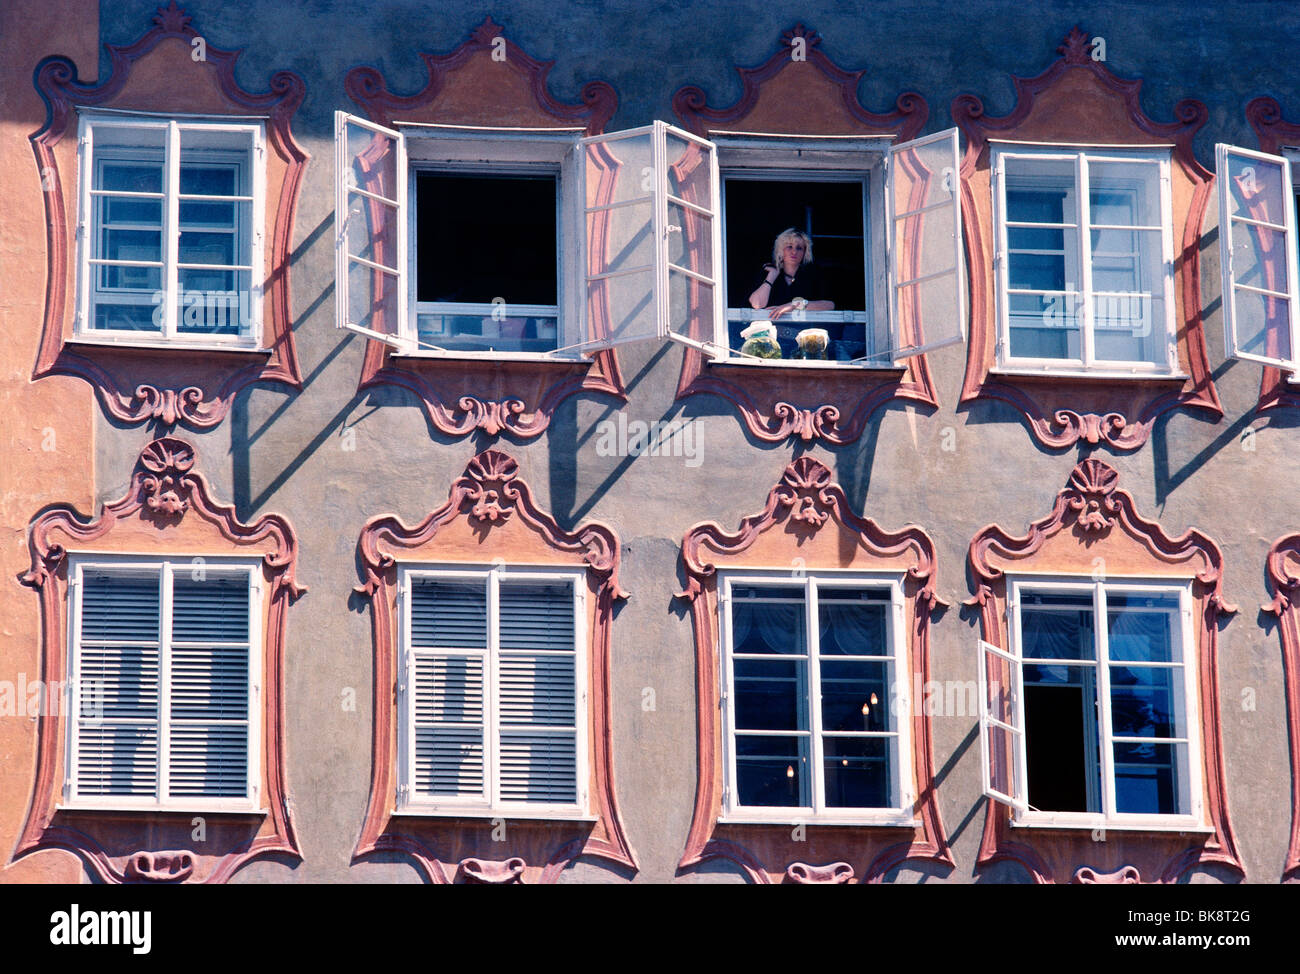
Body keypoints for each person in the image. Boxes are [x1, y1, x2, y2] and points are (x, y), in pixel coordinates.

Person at [748, 228, 835, 320]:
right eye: (789, 247)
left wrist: (794, 305)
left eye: (799, 248)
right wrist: (771, 276)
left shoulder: (812, 273)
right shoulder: (769, 271)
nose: (794, 252)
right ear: (781, 250)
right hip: (770, 329)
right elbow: (757, 304)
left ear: (805, 252)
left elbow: (830, 305)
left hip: (805, 331)